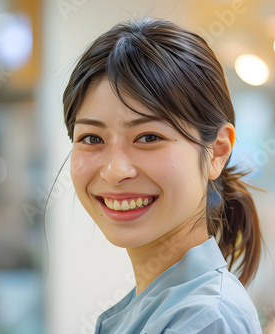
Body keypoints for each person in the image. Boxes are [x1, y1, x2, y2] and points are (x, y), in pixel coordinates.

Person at [61, 17, 263, 333]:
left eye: (149, 137)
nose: (115, 171)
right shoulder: (158, 304)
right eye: (92, 138)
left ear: (218, 151)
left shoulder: (204, 321)